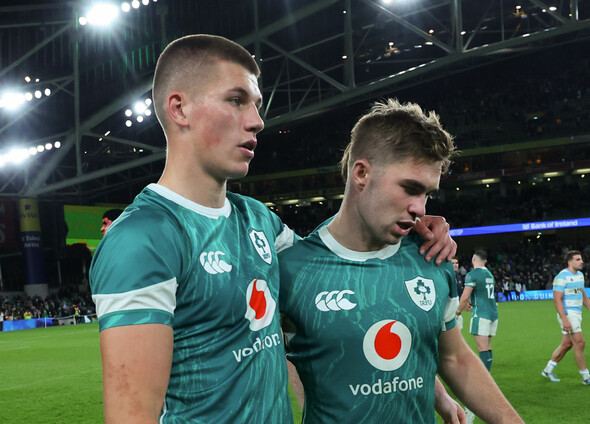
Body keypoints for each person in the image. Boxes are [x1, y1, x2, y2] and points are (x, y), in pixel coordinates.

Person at [90, 35, 457, 424]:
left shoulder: (259, 221)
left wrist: (413, 226)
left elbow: (335, 281)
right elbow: (132, 416)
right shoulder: (142, 239)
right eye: (236, 100)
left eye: (256, 104)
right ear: (180, 109)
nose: (257, 121)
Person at [279, 99, 522, 423]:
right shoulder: (290, 270)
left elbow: (455, 358)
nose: (420, 208)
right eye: (409, 188)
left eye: (427, 194)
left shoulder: (431, 257)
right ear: (361, 173)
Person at [541, 250, 590, 386]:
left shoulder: (580, 275)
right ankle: (586, 377)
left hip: (577, 313)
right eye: (577, 259)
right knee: (580, 343)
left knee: (567, 344)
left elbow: (582, 294)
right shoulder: (562, 277)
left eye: (581, 259)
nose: (581, 262)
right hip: (568, 314)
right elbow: (557, 300)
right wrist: (564, 319)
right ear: (569, 262)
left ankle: (547, 370)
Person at [456, 250, 499, 424]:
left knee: (482, 349)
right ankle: (488, 381)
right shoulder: (489, 274)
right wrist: (471, 303)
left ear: (474, 259)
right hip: (493, 313)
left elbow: (465, 296)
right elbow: (480, 295)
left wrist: (457, 312)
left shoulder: (472, 274)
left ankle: (483, 385)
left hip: (481, 315)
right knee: (487, 348)